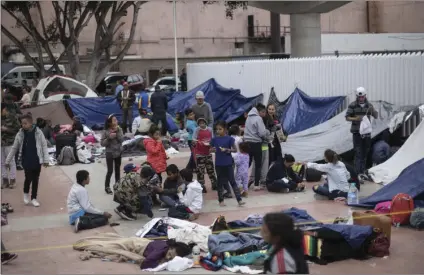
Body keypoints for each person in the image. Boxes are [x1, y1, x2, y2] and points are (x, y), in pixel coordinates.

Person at [5, 113, 49, 207]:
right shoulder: (20, 133)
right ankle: (25, 194)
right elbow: (14, 148)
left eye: (25, 123)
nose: (23, 125)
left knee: (36, 179)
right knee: (29, 178)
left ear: (31, 123)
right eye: (22, 123)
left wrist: (46, 159)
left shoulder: (38, 132)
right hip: (26, 160)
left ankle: (34, 198)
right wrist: (7, 160)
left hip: (37, 160)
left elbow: (44, 145)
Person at [211, 120, 245, 207]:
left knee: (232, 181)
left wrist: (227, 150)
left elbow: (235, 149)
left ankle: (239, 200)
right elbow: (211, 149)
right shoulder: (214, 139)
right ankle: (221, 200)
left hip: (228, 163)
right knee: (220, 182)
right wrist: (213, 150)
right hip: (219, 163)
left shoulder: (230, 139)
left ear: (225, 129)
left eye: (220, 129)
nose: (218, 131)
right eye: (217, 129)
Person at [345, 87, 378, 175]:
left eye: (362, 97)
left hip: (366, 133)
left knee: (365, 152)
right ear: (357, 96)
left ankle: (362, 171)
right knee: (358, 153)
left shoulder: (369, 105)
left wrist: (373, 111)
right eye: (359, 97)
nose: (361, 98)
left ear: (365, 96)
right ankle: (357, 173)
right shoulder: (352, 105)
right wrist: (355, 118)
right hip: (357, 133)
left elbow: (376, 116)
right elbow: (347, 117)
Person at [244, 103, 270, 191]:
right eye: (263, 112)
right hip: (256, 143)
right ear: (259, 112)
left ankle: (241, 182)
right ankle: (256, 185)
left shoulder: (248, 117)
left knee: (247, 163)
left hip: (247, 143)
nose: (264, 114)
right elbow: (262, 133)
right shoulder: (258, 118)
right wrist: (267, 134)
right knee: (258, 164)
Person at [101, 114, 124, 195]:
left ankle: (117, 186)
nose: (116, 121)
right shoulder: (105, 131)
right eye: (114, 120)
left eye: (116, 120)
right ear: (110, 123)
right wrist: (109, 138)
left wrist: (117, 132)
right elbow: (102, 144)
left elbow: (121, 140)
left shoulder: (119, 129)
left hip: (118, 152)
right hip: (110, 153)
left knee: (117, 170)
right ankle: (107, 187)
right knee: (110, 171)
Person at [193, 117, 216, 192]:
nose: (201, 124)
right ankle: (201, 186)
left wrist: (211, 145)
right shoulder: (197, 130)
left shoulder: (210, 129)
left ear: (205, 123)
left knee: (211, 169)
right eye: (200, 123)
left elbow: (213, 139)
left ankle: (214, 184)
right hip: (199, 153)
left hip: (208, 152)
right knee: (200, 170)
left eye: (203, 123)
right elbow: (194, 139)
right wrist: (197, 142)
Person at [1, 103, 20, 189]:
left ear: (5, 109)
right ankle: (5, 180)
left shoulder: (13, 118)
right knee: (1, 162)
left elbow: (18, 130)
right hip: (1, 143)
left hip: (10, 142)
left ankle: (12, 180)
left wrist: (6, 129)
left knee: (11, 161)